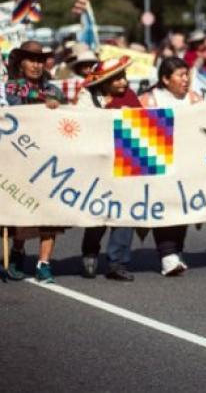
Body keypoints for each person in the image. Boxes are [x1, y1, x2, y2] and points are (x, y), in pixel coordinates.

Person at [4, 41, 67, 283]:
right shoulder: (13, 86)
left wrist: (56, 105)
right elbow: (14, 105)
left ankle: (44, 263)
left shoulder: (54, 89)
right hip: (23, 156)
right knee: (24, 209)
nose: (36, 65)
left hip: (49, 158)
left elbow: (63, 111)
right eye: (31, 60)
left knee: (50, 213)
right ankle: (18, 250)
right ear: (21, 63)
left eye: (40, 60)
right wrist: (45, 102)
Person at [139, 57, 201, 276]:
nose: (186, 80)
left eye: (187, 75)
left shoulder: (195, 99)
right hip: (158, 165)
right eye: (180, 75)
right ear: (165, 79)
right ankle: (167, 254)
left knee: (182, 208)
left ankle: (177, 250)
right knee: (163, 208)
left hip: (186, 164)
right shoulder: (148, 100)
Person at [79, 57, 140, 281]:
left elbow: (143, 125)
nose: (123, 82)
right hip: (98, 162)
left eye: (124, 77)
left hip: (125, 162)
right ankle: (90, 251)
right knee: (99, 211)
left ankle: (117, 262)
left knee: (125, 213)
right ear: (105, 82)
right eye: (117, 78)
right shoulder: (87, 99)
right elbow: (82, 123)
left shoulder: (130, 97)